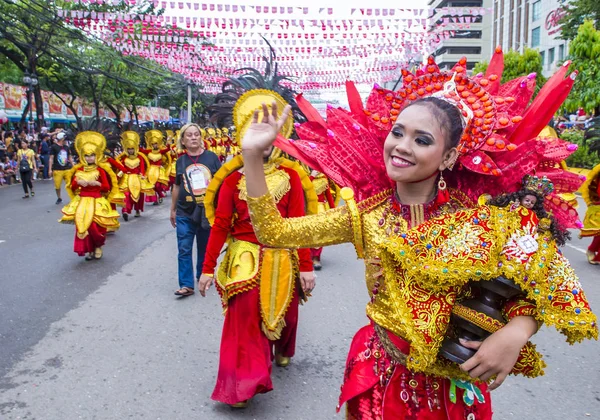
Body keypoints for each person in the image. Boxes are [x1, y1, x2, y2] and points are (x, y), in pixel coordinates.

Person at [240, 51, 597, 419]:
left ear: (448, 157)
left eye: (422, 140)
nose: (402, 146)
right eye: (398, 132)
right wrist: (252, 157)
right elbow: (273, 231)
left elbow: (543, 281)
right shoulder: (367, 216)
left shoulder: (481, 215)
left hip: (454, 388)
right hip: (381, 374)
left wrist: (517, 331)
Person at [197, 71, 317, 408]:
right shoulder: (233, 179)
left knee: (285, 316)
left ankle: (282, 350)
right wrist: (207, 269)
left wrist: (306, 267)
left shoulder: (292, 176)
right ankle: (241, 384)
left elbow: (300, 226)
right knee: (242, 321)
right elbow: (220, 226)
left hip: (282, 257)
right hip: (244, 259)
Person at [170, 123, 221, 297]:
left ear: (201, 138)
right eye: (189, 135)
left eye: (196, 134)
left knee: (204, 246)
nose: (193, 137)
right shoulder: (180, 162)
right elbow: (176, 187)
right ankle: (186, 284)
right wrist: (173, 210)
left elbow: (222, 183)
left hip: (207, 211)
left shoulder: (212, 158)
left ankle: (202, 276)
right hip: (185, 211)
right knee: (184, 247)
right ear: (183, 141)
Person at [59, 130, 121, 260]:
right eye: (86, 156)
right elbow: (73, 186)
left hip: (96, 200)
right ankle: (89, 249)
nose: (89, 158)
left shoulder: (100, 170)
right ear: (82, 156)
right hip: (82, 201)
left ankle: (98, 246)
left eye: (92, 155)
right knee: (82, 224)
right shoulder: (79, 170)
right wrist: (78, 182)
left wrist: (96, 183)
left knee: (95, 225)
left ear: (96, 155)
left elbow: (107, 187)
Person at [110, 131, 154, 221]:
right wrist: (117, 177)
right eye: (129, 149)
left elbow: (142, 167)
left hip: (137, 178)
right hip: (126, 178)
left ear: (135, 148)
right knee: (126, 194)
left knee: (139, 195)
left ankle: (137, 210)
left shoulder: (140, 157)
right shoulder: (123, 158)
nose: (130, 150)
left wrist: (142, 175)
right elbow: (120, 168)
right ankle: (125, 210)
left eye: (132, 149)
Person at [309, 170, 337, 270]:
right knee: (308, 233)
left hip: (321, 209)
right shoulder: (304, 176)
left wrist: (334, 211)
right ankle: (307, 256)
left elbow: (328, 195)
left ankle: (316, 258)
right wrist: (311, 177)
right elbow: (303, 190)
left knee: (320, 234)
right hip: (308, 208)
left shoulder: (324, 178)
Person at [140, 129, 171, 205]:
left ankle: (160, 195)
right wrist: (137, 144)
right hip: (150, 171)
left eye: (156, 144)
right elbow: (141, 151)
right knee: (152, 185)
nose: (155, 145)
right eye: (153, 144)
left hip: (159, 170)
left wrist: (168, 142)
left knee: (157, 185)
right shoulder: (149, 151)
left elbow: (167, 149)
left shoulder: (161, 151)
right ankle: (155, 199)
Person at [581, 161, 600, 264]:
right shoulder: (598, 169)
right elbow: (589, 183)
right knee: (599, 232)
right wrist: (590, 202)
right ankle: (591, 250)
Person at [49, 132, 73, 205]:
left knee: (70, 184)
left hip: (67, 169)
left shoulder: (66, 147)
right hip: (57, 169)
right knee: (57, 185)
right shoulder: (54, 147)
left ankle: (72, 197)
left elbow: (70, 157)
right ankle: (59, 197)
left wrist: (74, 166)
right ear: (62, 139)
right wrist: (50, 169)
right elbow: (51, 158)